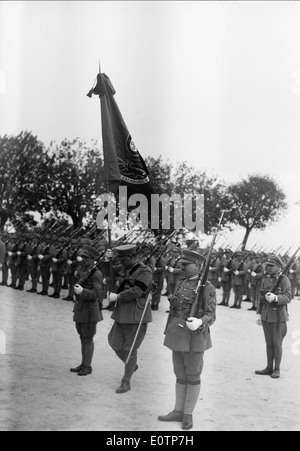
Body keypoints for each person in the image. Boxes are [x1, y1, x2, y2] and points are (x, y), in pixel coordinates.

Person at [159, 249, 216, 431]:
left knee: (192, 374)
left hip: (195, 336)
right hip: (178, 334)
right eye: (181, 264)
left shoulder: (207, 287)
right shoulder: (182, 282)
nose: (181, 267)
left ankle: (188, 413)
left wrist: (200, 321)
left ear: (198, 267)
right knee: (179, 373)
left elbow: (211, 314)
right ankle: (178, 410)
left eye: (186, 265)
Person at [107, 244, 153, 394]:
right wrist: (107, 260)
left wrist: (119, 296)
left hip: (135, 314)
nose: (121, 262)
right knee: (114, 342)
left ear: (133, 257)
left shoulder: (145, 271)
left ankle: (126, 382)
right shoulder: (124, 267)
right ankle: (131, 366)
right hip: (121, 312)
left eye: (123, 259)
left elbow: (138, 290)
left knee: (130, 349)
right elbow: (108, 272)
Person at [255, 254, 292, 379]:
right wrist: (259, 313)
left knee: (277, 344)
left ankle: (277, 369)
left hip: (278, 317)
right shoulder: (266, 279)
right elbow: (261, 298)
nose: (268, 268)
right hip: (266, 316)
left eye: (272, 266)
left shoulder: (284, 280)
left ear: (279, 266)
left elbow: (288, 297)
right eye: (268, 266)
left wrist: (276, 298)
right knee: (269, 344)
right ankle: (269, 367)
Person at [71, 245, 103, 377]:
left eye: (86, 258)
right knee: (82, 337)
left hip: (90, 310)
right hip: (81, 308)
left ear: (92, 259)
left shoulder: (96, 273)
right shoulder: (85, 270)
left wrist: (82, 291)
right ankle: (83, 363)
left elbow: (96, 293)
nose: (82, 260)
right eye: (82, 257)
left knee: (88, 338)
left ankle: (88, 366)